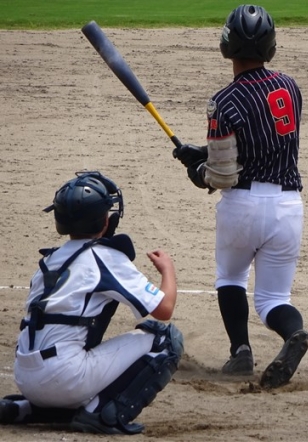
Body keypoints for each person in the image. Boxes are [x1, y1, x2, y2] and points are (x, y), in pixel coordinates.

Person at [173, 4, 308, 390]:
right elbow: (265, 141)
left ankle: (241, 352)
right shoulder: (289, 87)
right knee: (272, 300)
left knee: (230, 277)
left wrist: (198, 169)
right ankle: (293, 333)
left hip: (243, 208)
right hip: (287, 208)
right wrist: (204, 151)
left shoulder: (224, 101)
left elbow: (221, 176)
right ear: (270, 46)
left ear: (227, 44)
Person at [0, 171, 183, 435]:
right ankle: (102, 413)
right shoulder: (105, 257)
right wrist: (168, 270)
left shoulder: (48, 261)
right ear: (106, 220)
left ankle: (27, 408)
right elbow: (164, 309)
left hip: (25, 377)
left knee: (70, 352)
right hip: (65, 376)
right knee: (165, 339)